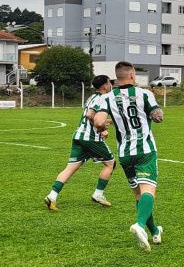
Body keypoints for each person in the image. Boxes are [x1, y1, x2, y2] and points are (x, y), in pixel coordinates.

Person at [92, 61, 164, 252]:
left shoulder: (107, 98)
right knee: (148, 190)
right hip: (145, 151)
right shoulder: (144, 94)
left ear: (117, 77)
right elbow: (158, 116)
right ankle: (139, 225)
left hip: (125, 154)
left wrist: (103, 127)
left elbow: (98, 121)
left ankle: (155, 231)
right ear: (132, 75)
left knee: (138, 193)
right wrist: (153, 114)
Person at [44, 75, 116, 211]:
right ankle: (98, 194)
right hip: (90, 138)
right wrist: (101, 129)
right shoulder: (103, 98)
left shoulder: (91, 97)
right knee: (110, 164)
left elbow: (90, 114)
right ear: (106, 85)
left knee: (70, 168)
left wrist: (105, 124)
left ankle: (52, 196)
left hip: (79, 136)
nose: (111, 85)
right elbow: (90, 115)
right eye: (110, 82)